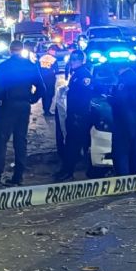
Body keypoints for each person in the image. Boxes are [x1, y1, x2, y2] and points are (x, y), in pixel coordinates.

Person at [0, 40, 45, 188]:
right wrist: (31, 99)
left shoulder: (4, 66)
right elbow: (42, 88)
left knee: (0, 142)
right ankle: (18, 176)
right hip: (23, 106)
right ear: (22, 50)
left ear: (10, 50)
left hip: (7, 107)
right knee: (20, 142)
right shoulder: (30, 65)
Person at [53, 50, 93, 181]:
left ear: (81, 61)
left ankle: (69, 171)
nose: (72, 62)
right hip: (73, 114)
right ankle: (66, 169)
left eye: (75, 60)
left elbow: (84, 98)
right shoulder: (77, 74)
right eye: (71, 60)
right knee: (70, 143)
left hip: (79, 116)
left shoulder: (84, 75)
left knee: (73, 145)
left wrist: (78, 116)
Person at [110, 63, 136, 176]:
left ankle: (123, 180)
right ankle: (135, 178)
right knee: (134, 153)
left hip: (123, 122)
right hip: (133, 121)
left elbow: (120, 101)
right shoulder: (134, 78)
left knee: (121, 153)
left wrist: (111, 97)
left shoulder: (125, 80)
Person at [38, 45, 60, 116]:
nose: (55, 53)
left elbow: (38, 68)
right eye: (55, 51)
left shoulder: (41, 58)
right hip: (50, 79)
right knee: (50, 94)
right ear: (51, 50)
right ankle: (47, 111)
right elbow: (56, 70)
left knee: (44, 95)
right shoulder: (53, 59)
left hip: (42, 79)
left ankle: (45, 109)